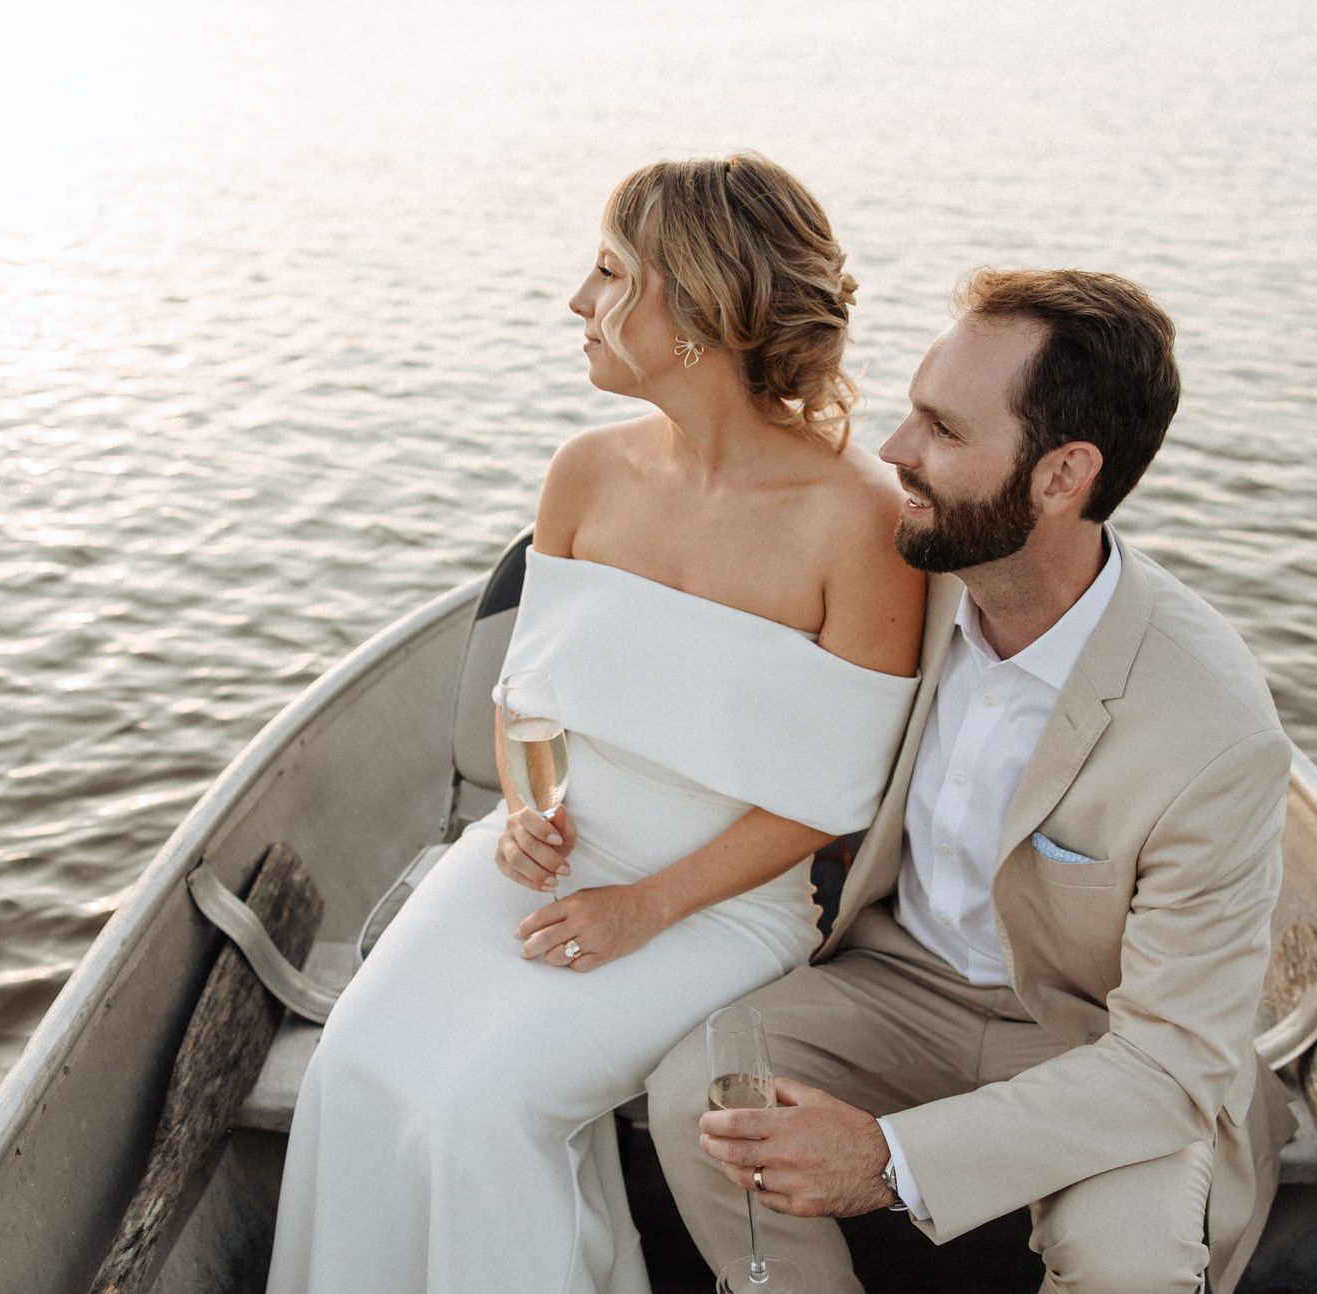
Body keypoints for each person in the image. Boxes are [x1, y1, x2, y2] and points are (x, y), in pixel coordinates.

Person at [263, 155, 924, 1294]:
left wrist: (643, 906)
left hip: (717, 905)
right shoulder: (583, 472)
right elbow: (528, 701)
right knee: (357, 1063)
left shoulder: (857, 522)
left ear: (704, 312)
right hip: (547, 855)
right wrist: (526, 811)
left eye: (612, 272)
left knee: (482, 1105)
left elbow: (832, 798)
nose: (577, 300)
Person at [646, 268, 1298, 1293]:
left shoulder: (1213, 731)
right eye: (907, 411)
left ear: (1059, 475)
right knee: (700, 1092)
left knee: (1130, 1271)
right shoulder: (904, 574)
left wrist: (887, 1162)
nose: (895, 451)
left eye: (942, 430)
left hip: (1096, 1044)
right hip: (888, 983)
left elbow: (1169, 1064)